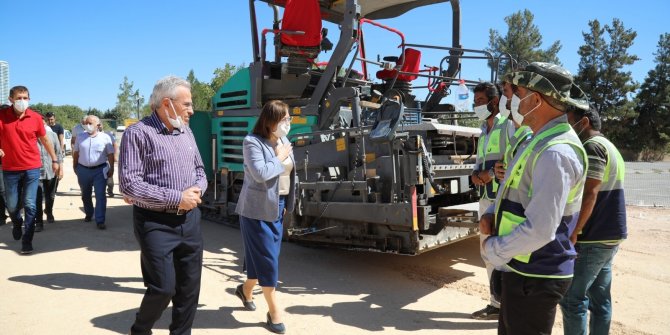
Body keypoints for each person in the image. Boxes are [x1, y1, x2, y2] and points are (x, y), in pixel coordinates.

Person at [479, 62, 589, 334]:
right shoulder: (536, 141)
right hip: (519, 267)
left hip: (535, 276)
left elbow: (540, 229)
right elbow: (513, 190)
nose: (512, 100)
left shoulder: (556, 152)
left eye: (518, 93)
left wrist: (492, 249)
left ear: (536, 100)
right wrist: (493, 212)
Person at [119, 75, 207, 335]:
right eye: (187, 104)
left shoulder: (186, 131)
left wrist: (196, 191)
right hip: (154, 222)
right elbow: (129, 185)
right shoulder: (138, 133)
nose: (192, 110)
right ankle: (141, 329)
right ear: (167, 103)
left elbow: (200, 170)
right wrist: (176, 197)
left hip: (190, 220)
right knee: (163, 288)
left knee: (190, 289)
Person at [559, 104, 627, 335]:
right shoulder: (610, 146)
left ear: (584, 122)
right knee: (599, 299)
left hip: (592, 237)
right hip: (610, 234)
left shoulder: (591, 146)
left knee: (571, 299)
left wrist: (575, 230)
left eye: (569, 120)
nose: (566, 125)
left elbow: (591, 192)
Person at [235, 100, 295, 334]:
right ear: (270, 120)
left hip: (278, 207)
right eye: (284, 119)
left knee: (265, 258)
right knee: (268, 260)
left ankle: (245, 289)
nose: (288, 123)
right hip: (256, 210)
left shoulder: (283, 140)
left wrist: (287, 203)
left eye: (289, 118)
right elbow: (260, 174)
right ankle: (274, 312)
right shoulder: (252, 142)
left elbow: (290, 174)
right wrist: (278, 158)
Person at [470, 82, 514, 320]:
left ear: (494, 102)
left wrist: (488, 175)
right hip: (486, 201)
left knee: (505, 254)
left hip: (504, 201)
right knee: (487, 253)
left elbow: (515, 159)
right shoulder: (482, 133)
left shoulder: (507, 127)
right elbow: (476, 173)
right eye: (475, 102)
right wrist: (481, 176)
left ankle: (509, 306)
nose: (476, 106)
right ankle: (496, 304)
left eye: (479, 101)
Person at [0, 86, 60, 254]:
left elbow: (45, 140)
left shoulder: (35, 117)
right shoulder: (2, 116)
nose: (23, 101)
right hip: (10, 169)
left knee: (30, 204)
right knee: (12, 206)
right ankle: (17, 222)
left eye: (26, 97)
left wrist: (55, 160)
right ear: (11, 99)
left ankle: (27, 241)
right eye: (19, 97)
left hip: (32, 168)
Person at [73, 115, 114, 229]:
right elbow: (76, 152)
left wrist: (112, 168)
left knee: (100, 195)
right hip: (83, 170)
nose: (87, 125)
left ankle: (100, 220)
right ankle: (89, 213)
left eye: (90, 123)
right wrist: (75, 166)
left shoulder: (105, 137)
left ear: (98, 125)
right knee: (85, 194)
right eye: (86, 123)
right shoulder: (80, 137)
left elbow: (110, 154)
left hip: (100, 170)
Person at [35, 117, 63, 231]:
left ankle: (49, 211)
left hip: (51, 170)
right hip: (35, 171)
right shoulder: (30, 136)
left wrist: (61, 169)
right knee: (37, 197)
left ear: (45, 123)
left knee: (50, 195)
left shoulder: (52, 135)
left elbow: (58, 153)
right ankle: (39, 222)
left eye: (41, 122)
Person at [98, 122, 117, 197]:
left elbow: (114, 144)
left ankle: (110, 190)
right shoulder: (91, 136)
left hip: (108, 159)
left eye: (100, 125)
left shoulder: (108, 134)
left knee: (110, 178)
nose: (99, 126)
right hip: (98, 161)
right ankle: (100, 192)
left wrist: (114, 155)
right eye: (98, 125)